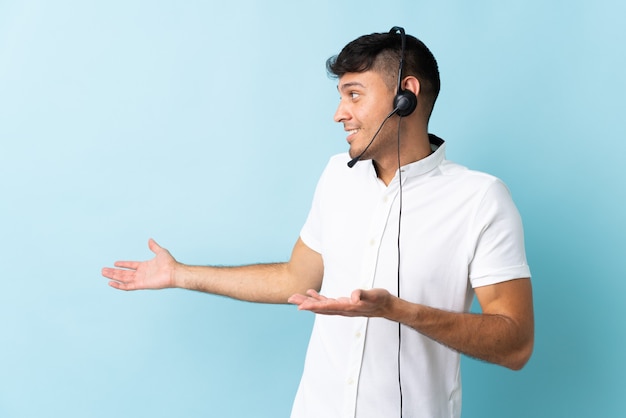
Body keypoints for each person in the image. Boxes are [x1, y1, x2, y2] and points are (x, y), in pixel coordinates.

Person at [102, 26, 534, 418]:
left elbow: (516, 343)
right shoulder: (335, 177)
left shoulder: (480, 199)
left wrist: (395, 310)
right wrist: (180, 274)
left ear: (407, 94)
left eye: (354, 94)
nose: (339, 113)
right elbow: (296, 277)